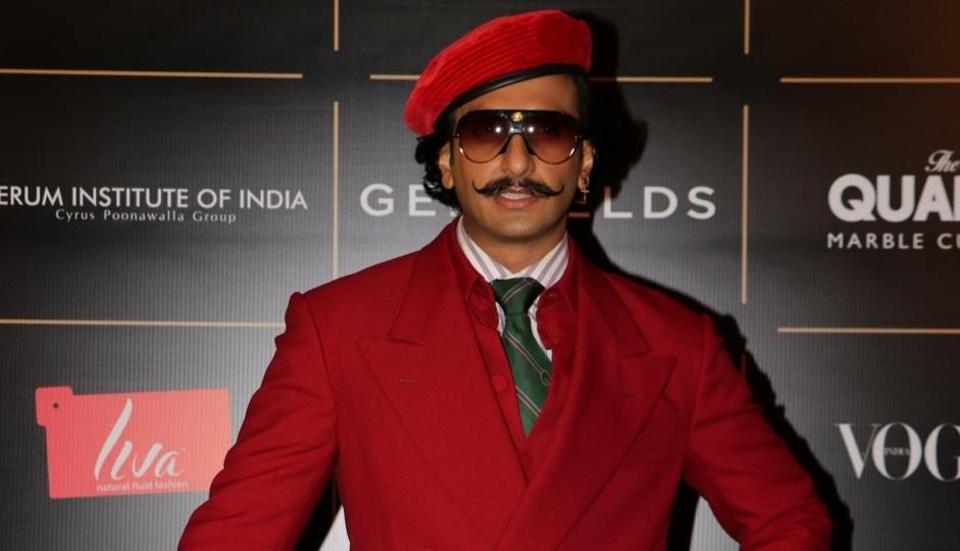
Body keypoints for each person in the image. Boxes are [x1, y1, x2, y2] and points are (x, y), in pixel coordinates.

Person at [180, 10, 830, 550]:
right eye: (486, 131)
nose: (517, 162)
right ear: (447, 160)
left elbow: (790, 521)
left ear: (584, 162)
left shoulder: (681, 345)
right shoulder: (338, 329)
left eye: (548, 131)